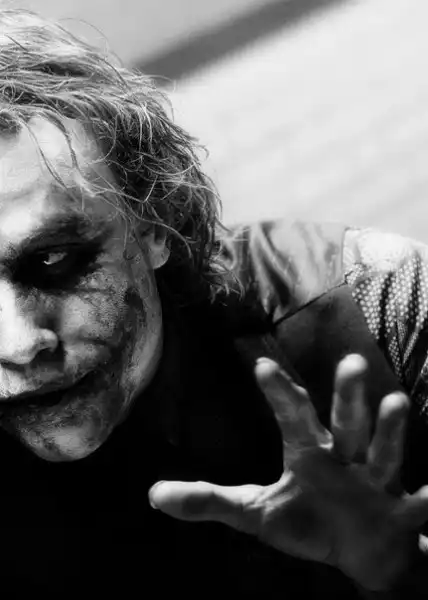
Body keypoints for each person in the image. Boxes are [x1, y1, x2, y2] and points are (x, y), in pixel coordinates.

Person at [0, 8, 428, 598]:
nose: (20, 344)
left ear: (155, 221)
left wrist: (405, 576)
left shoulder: (374, 300)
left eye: (53, 260)